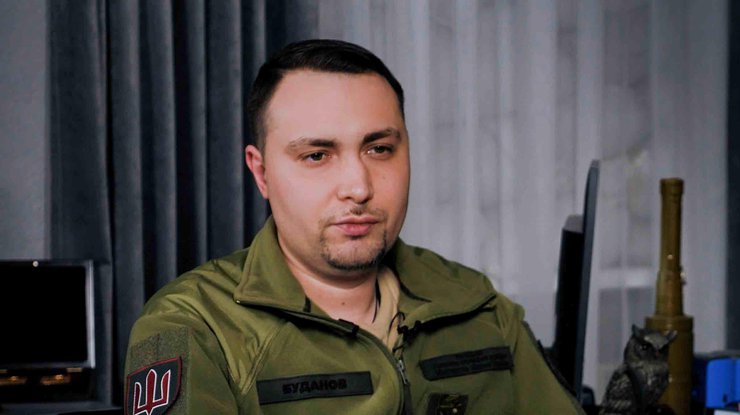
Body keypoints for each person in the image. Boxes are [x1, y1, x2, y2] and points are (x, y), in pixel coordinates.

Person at [124, 38, 585, 414]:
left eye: (379, 149)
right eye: (317, 156)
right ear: (261, 173)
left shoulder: (476, 305)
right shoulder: (190, 325)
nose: (358, 187)